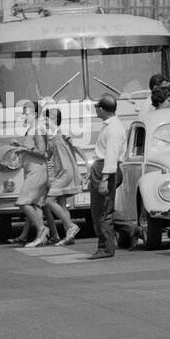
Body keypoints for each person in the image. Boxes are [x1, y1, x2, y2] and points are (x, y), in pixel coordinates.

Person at [87, 96, 127, 259]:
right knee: (100, 209)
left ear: (102, 109)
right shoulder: (110, 126)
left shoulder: (113, 128)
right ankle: (131, 231)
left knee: (102, 211)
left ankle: (105, 247)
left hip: (106, 169)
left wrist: (104, 179)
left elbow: (111, 155)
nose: (96, 109)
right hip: (102, 168)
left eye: (97, 107)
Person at [7, 101, 51, 247]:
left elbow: (42, 152)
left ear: (35, 114)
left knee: (23, 202)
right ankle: (40, 237)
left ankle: (42, 229)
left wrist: (24, 150)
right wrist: (19, 146)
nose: (24, 115)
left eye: (26, 112)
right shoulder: (32, 129)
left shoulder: (38, 129)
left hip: (37, 171)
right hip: (32, 170)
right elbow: (31, 148)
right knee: (35, 205)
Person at [39, 104, 80, 246]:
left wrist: (86, 163)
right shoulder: (50, 136)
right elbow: (47, 155)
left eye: (45, 118)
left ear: (52, 118)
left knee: (49, 201)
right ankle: (70, 236)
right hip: (58, 172)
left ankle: (71, 226)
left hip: (66, 171)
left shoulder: (62, 132)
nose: (43, 120)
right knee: (62, 204)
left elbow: (75, 147)